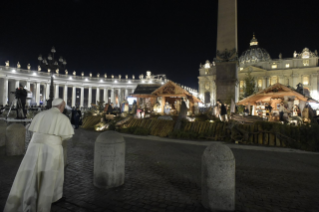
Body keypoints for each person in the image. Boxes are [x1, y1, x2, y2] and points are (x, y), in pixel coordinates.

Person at [4, 98, 74, 212]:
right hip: (52, 148)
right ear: (61, 106)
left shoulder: (40, 115)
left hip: (34, 146)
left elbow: (33, 129)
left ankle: (25, 196)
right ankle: (49, 199)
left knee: (30, 173)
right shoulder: (62, 118)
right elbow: (67, 136)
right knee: (50, 176)